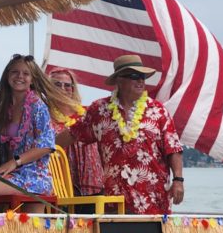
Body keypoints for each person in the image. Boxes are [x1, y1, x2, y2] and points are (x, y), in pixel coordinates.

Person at [58, 54, 183, 214]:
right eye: (133, 76)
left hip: (153, 198)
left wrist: (178, 180)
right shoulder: (99, 109)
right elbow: (73, 134)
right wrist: (43, 149)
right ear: (119, 81)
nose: (140, 81)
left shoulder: (158, 111)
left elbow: (173, 148)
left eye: (142, 76)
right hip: (115, 200)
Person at [0, 54, 57, 213]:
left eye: (26, 73)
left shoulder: (37, 106)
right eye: (15, 72)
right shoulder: (6, 107)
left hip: (32, 176)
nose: (20, 76)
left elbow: (46, 145)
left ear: (32, 79)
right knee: (25, 231)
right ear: (7, 76)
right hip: (12, 174)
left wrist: (15, 162)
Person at [48, 67, 103, 196]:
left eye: (67, 85)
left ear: (73, 89)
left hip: (91, 181)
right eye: (57, 84)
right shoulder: (44, 113)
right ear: (48, 87)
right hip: (61, 183)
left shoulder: (86, 113)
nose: (62, 88)